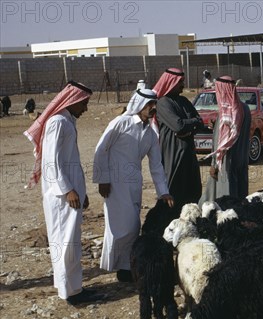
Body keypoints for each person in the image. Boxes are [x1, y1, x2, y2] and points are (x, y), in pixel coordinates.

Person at [23, 81, 104, 305]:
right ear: (74, 101)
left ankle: (74, 288)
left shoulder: (67, 121)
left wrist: (81, 191)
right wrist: (68, 189)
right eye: (84, 103)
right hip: (61, 197)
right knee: (64, 243)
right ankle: (69, 293)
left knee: (72, 243)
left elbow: (70, 162)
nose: (86, 109)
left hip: (71, 193)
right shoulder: (58, 122)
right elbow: (51, 162)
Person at [93, 89, 175, 282]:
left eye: (155, 104)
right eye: (149, 105)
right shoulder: (120, 123)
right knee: (122, 226)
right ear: (139, 104)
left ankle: (125, 267)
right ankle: (121, 266)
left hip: (134, 184)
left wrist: (164, 192)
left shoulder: (151, 132)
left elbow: (156, 165)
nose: (153, 108)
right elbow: (101, 149)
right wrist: (102, 179)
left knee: (133, 225)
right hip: (114, 184)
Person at [153, 68, 203, 208]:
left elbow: (200, 122)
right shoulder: (163, 103)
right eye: (180, 82)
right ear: (171, 82)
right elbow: (178, 126)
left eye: (182, 81)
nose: (182, 84)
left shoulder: (183, 100)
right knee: (173, 190)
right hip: (173, 154)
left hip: (188, 154)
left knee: (192, 191)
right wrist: (190, 124)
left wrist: (188, 128)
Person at [200, 76, 251, 202]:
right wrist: (216, 125)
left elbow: (222, 142)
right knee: (239, 194)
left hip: (226, 162)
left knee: (225, 198)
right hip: (241, 158)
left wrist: (214, 165)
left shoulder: (227, 113)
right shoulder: (245, 108)